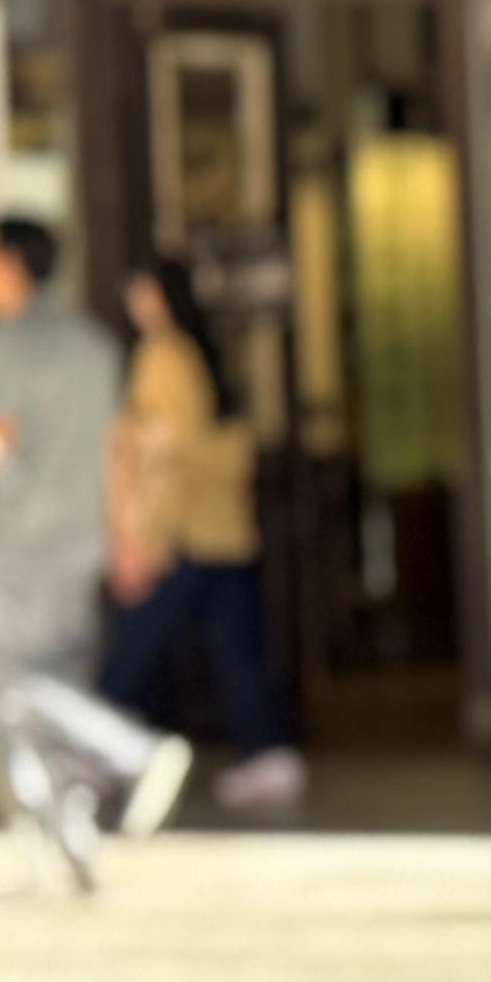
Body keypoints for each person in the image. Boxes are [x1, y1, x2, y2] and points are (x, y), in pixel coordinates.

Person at [0, 217, 185, 831]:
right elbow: (120, 449)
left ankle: (131, 752)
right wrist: (127, 536)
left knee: (13, 676)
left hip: (26, 539)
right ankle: (71, 810)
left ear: (11, 264)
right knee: (59, 670)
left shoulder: (4, 345)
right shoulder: (94, 344)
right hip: (88, 534)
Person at [95, 254, 299, 814]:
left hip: (181, 532)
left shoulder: (164, 355)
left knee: (133, 650)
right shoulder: (202, 352)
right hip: (223, 529)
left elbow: (163, 457)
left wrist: (140, 539)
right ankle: (266, 752)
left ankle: (101, 750)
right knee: (238, 648)